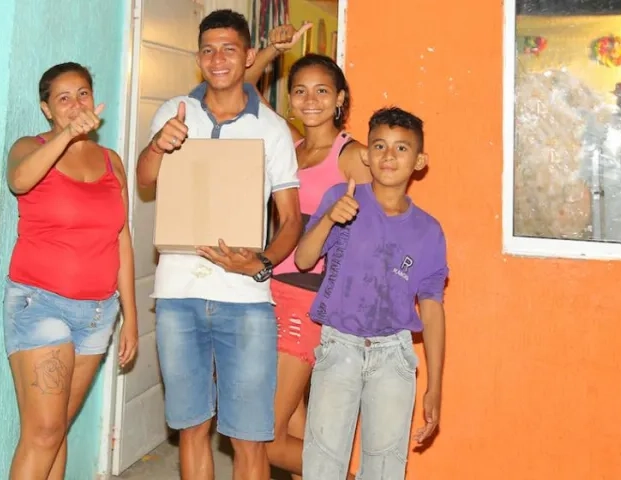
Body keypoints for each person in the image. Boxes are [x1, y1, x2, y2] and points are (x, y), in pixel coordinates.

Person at [135, 10, 302, 480]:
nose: (218, 58)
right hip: (177, 295)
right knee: (192, 429)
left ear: (249, 55)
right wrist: (158, 146)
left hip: (246, 302)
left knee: (249, 438)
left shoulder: (271, 128)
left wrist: (260, 262)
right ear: (198, 57)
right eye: (208, 49)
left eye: (229, 48)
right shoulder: (173, 112)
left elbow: (291, 220)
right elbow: (145, 181)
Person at [244, 26, 371, 479]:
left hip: (309, 298)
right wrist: (270, 53)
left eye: (322, 90)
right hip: (270, 289)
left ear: (340, 98)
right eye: (299, 90)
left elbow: (382, 226)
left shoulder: (352, 155)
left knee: (260, 436)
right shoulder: (288, 149)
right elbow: (239, 95)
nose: (310, 99)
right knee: (297, 424)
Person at [295, 107, 448, 480]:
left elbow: (432, 310)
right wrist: (331, 216)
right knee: (323, 463)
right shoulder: (342, 197)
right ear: (366, 155)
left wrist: (435, 386)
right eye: (379, 146)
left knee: (384, 466)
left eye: (401, 148)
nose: (388, 156)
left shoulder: (428, 231)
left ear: (419, 161)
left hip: (394, 357)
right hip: (338, 348)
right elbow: (303, 259)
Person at [2, 62, 138, 480]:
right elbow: (19, 181)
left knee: (57, 431)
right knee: (42, 432)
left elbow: (121, 238)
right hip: (40, 305)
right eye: (63, 98)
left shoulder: (111, 161)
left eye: (82, 93)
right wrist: (65, 136)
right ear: (47, 109)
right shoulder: (30, 146)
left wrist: (129, 317)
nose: (75, 104)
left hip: (97, 314)